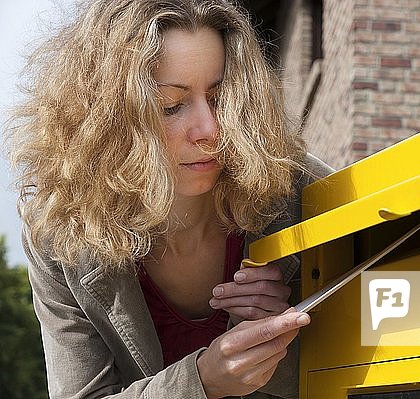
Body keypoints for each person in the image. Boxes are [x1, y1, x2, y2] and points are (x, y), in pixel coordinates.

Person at [8, 0, 332, 398]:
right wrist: (204, 379)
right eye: (170, 106)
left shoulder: (304, 189)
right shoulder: (59, 233)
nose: (209, 129)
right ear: (105, 122)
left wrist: (282, 340)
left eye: (220, 98)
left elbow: (391, 338)